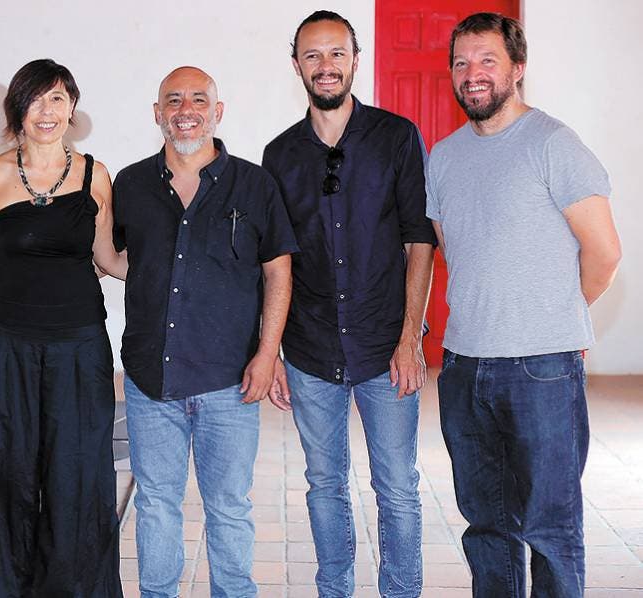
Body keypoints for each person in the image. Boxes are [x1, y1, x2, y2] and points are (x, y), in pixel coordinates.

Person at [427, 13, 620, 597]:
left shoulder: (554, 144)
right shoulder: (444, 157)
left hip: (542, 369)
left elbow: (604, 253)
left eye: (487, 60)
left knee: (549, 526)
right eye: (461, 63)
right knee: (486, 525)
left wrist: (558, 314)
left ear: (518, 68)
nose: (473, 73)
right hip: (463, 367)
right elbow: (456, 251)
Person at [262, 10, 436, 597]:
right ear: (296, 66)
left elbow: (419, 241)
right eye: (312, 55)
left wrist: (410, 339)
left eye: (336, 53)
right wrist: (273, 349)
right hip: (310, 348)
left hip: (386, 347)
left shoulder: (397, 137)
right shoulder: (279, 155)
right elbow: (274, 261)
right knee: (324, 485)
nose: (326, 65)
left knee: (398, 487)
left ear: (356, 60)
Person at [113, 66, 297, 598]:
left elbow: (278, 272)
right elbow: (119, 258)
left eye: (198, 99)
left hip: (229, 380)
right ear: (157, 114)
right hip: (151, 380)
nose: (185, 110)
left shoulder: (254, 185)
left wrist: (268, 353)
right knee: (155, 504)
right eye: (173, 100)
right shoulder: (130, 184)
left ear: (218, 112)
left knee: (229, 507)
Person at [0, 58, 125, 598]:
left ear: (72, 107)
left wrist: (178, 260)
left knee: (79, 473)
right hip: (7, 343)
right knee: (4, 472)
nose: (46, 111)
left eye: (57, 98)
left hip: (80, 345)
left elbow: (108, 258)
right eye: (34, 99)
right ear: (17, 111)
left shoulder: (97, 175)